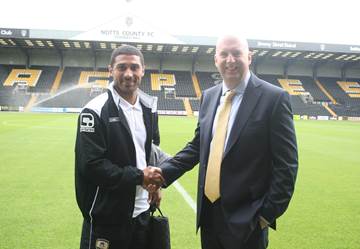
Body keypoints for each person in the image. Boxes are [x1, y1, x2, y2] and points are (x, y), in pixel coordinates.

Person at [160, 35, 298, 249]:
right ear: (216, 59)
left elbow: (287, 165)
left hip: (249, 221)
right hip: (209, 217)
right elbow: (198, 146)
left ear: (249, 57)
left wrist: (265, 216)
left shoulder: (274, 98)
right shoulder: (209, 96)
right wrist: (162, 173)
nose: (230, 60)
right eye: (224, 54)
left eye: (237, 53)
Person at [75, 44, 165, 249]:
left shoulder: (149, 108)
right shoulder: (94, 111)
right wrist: (140, 177)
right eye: (122, 67)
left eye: (134, 67)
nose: (128, 74)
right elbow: (92, 166)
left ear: (143, 70)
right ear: (110, 70)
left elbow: (149, 150)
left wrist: (154, 184)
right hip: (107, 219)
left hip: (143, 213)